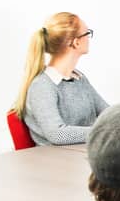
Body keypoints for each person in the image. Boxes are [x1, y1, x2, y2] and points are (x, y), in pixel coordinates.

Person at [13, 12, 109, 145]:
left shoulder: (78, 78)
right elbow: (57, 134)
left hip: (82, 153)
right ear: (76, 43)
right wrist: (103, 131)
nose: (89, 38)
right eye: (87, 33)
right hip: (57, 161)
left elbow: (108, 113)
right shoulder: (42, 86)